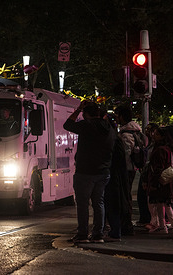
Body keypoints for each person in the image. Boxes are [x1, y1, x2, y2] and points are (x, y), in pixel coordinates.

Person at [63, 101, 116, 243]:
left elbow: (67, 125)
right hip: (104, 171)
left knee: (82, 203)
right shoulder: (110, 128)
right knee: (99, 202)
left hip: (85, 171)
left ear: (86, 114)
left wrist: (78, 109)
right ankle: (98, 234)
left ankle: (82, 234)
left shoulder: (87, 125)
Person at [115, 104, 144, 235]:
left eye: (117, 115)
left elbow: (125, 153)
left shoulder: (126, 134)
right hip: (132, 168)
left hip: (126, 169)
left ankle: (126, 225)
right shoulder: (137, 131)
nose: (116, 118)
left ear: (121, 116)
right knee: (126, 196)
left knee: (124, 196)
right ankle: (125, 223)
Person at [146, 127, 173, 233]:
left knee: (163, 203)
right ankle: (166, 225)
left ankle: (170, 225)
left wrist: (155, 180)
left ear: (161, 136)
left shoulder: (160, 150)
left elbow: (158, 167)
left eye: (156, 134)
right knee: (163, 203)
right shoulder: (168, 149)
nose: (153, 135)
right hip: (166, 179)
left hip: (160, 179)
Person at [104, 114, 129, 242]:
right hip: (114, 176)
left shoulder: (113, 139)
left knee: (112, 203)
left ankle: (114, 231)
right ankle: (113, 230)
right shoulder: (116, 138)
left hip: (113, 177)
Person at [137, 123, 159, 225]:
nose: (147, 132)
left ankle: (151, 219)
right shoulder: (148, 143)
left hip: (149, 173)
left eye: (149, 130)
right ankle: (146, 218)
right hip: (145, 172)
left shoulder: (156, 145)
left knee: (148, 197)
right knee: (142, 196)